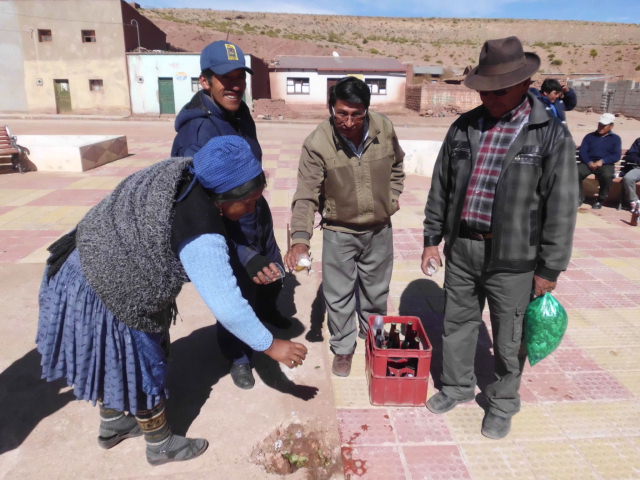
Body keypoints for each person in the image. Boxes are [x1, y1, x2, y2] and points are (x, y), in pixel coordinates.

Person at [37, 136, 308, 466]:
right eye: (248, 203)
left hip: (83, 259)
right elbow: (227, 306)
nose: (252, 209)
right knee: (140, 358)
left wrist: (248, 257)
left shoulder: (185, 172)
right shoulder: (200, 229)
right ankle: (160, 444)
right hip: (110, 283)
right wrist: (271, 345)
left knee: (116, 356)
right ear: (221, 199)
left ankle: (113, 424)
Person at [421, 36, 577, 439]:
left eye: (499, 90)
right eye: (484, 89)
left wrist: (550, 268)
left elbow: (561, 206)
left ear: (525, 83)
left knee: (509, 338)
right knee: (457, 324)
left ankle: (503, 402)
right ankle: (455, 386)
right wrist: (431, 238)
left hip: (515, 258)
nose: (489, 97)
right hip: (464, 249)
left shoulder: (549, 134)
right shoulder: (464, 127)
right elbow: (441, 186)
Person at [172, 40, 288, 390]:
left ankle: (266, 313)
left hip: (254, 214)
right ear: (205, 81)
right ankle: (238, 356)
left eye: (241, 77)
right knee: (235, 290)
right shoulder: (196, 134)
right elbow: (198, 209)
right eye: (226, 78)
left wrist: (261, 229)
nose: (235, 85)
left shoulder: (239, 112)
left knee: (273, 273)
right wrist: (245, 253)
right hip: (229, 228)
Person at [284, 76, 405, 377]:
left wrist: (391, 199)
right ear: (331, 109)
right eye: (341, 113)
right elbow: (306, 193)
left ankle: (372, 339)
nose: (349, 122)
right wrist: (300, 239)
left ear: (366, 110)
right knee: (338, 296)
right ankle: (343, 348)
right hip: (340, 232)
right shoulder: (317, 143)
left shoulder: (384, 128)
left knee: (376, 293)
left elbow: (397, 166)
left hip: (379, 230)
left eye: (356, 114)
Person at [577, 113, 622, 208]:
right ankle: (579, 198)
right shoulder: (589, 136)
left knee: (607, 176)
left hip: (605, 164)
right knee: (575, 173)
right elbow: (583, 152)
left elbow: (616, 155)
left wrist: (603, 161)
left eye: (604, 125)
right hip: (588, 162)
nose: (601, 127)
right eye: (600, 124)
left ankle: (600, 200)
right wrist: (589, 162)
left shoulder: (616, 139)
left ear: (611, 126)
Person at [621, 137, 640, 213]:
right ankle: (635, 202)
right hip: (638, 168)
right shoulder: (638, 141)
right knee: (628, 178)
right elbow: (632, 155)